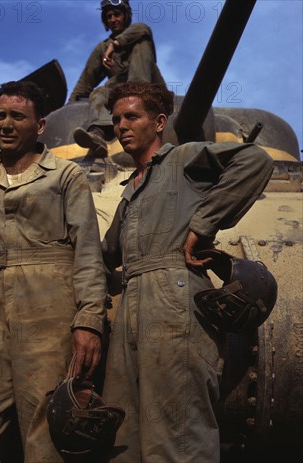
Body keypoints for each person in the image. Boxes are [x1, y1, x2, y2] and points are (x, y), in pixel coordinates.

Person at [100, 81, 274, 461]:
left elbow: (255, 160)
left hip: (174, 303)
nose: (121, 126)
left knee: (177, 436)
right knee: (123, 438)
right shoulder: (130, 191)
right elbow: (105, 255)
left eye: (132, 116)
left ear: (160, 122)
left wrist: (204, 223)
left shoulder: (183, 159)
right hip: (131, 307)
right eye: (116, 120)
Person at [0, 81, 107, 462]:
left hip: (49, 303)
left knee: (44, 427)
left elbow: (87, 250)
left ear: (39, 126)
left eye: (17, 116)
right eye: (0, 115)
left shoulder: (65, 176)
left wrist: (89, 319)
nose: (5, 124)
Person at [69, 0, 165, 158]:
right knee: (100, 92)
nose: (113, 19)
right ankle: (98, 135)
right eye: (109, 16)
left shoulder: (139, 33)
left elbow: (144, 28)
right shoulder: (102, 48)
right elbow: (84, 83)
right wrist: (67, 110)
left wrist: (115, 45)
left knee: (142, 43)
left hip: (151, 92)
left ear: (126, 15)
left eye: (117, 14)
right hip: (120, 93)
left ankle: (137, 93)